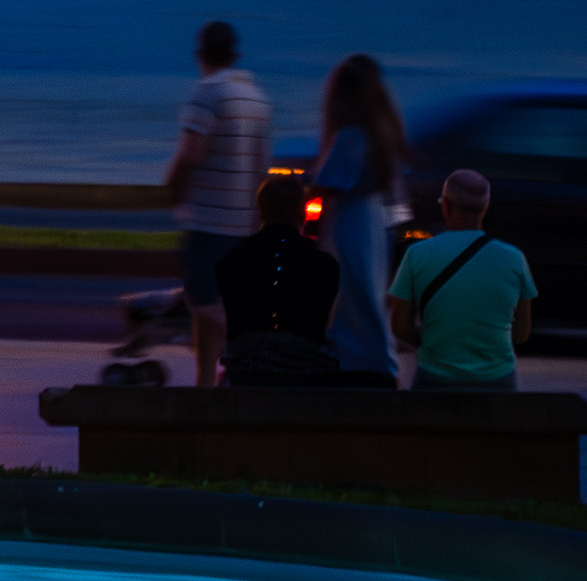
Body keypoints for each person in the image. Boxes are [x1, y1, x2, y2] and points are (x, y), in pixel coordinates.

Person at [164, 20, 270, 387]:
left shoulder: (207, 91)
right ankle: (206, 384)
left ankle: (241, 359)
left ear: (200, 54)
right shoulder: (256, 97)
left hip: (208, 220)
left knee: (204, 305)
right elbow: (261, 167)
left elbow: (193, 151)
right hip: (244, 221)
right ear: (234, 54)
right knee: (210, 313)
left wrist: (172, 186)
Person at [309, 53, 409, 384]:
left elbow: (326, 181)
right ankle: (379, 358)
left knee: (352, 292)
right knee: (370, 290)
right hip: (376, 221)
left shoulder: (350, 138)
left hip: (350, 221)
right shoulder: (383, 136)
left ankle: (356, 357)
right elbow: (398, 199)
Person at [388, 169, 537, 391]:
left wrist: (434, 340)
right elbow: (522, 334)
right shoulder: (514, 258)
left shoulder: (417, 254)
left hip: (436, 380)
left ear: (445, 206)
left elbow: (400, 327)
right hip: (497, 382)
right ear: (485, 208)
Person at [214, 173, 342, 385]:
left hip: (246, 374)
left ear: (261, 210)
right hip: (307, 375)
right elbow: (323, 326)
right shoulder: (325, 265)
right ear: (302, 212)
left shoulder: (231, 261)